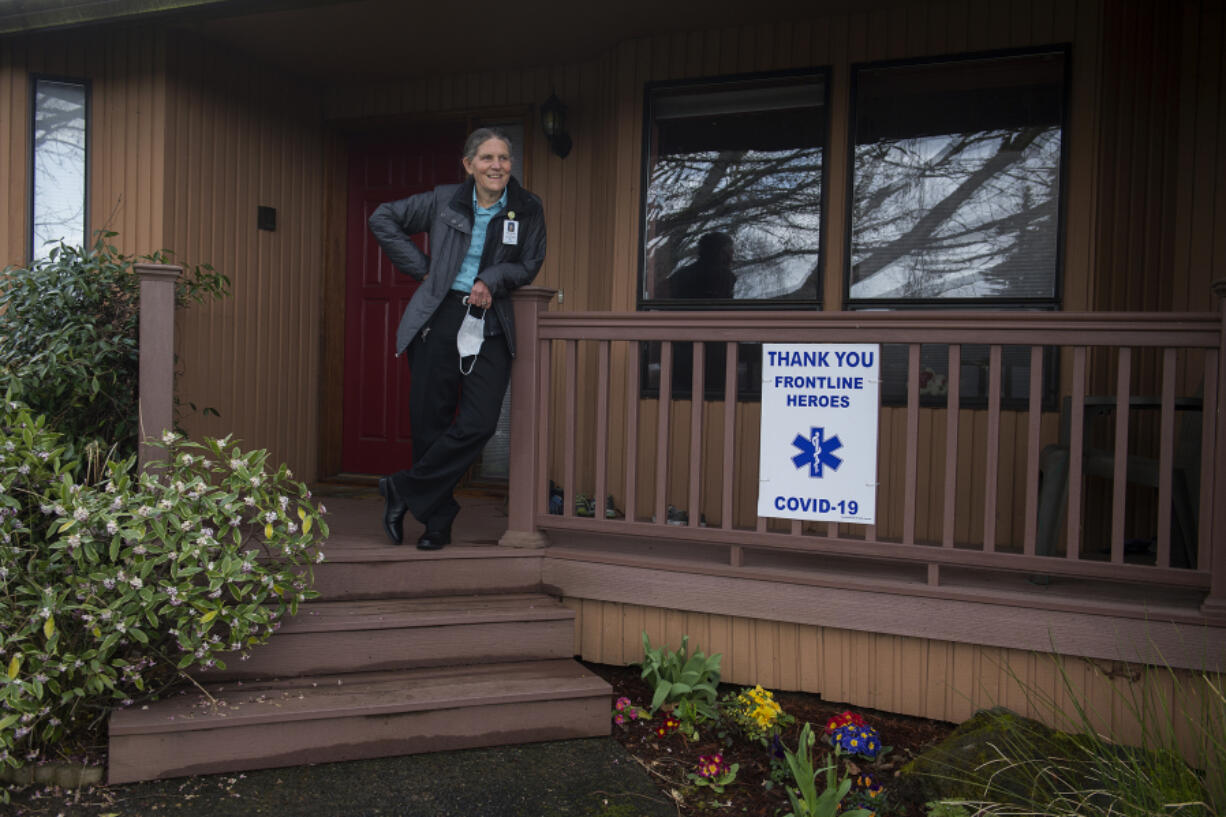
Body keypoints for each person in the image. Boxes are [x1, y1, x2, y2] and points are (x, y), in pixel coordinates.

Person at [368, 127, 546, 549]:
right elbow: (383, 218)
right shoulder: (443, 199)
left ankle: (401, 488)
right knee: (430, 423)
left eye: (503, 158)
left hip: (491, 319)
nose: (497, 165)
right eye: (487, 158)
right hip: (441, 315)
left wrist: (491, 276)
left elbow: (529, 263)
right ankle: (437, 524)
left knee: (479, 422)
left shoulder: (527, 207)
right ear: (469, 165)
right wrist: (424, 269)